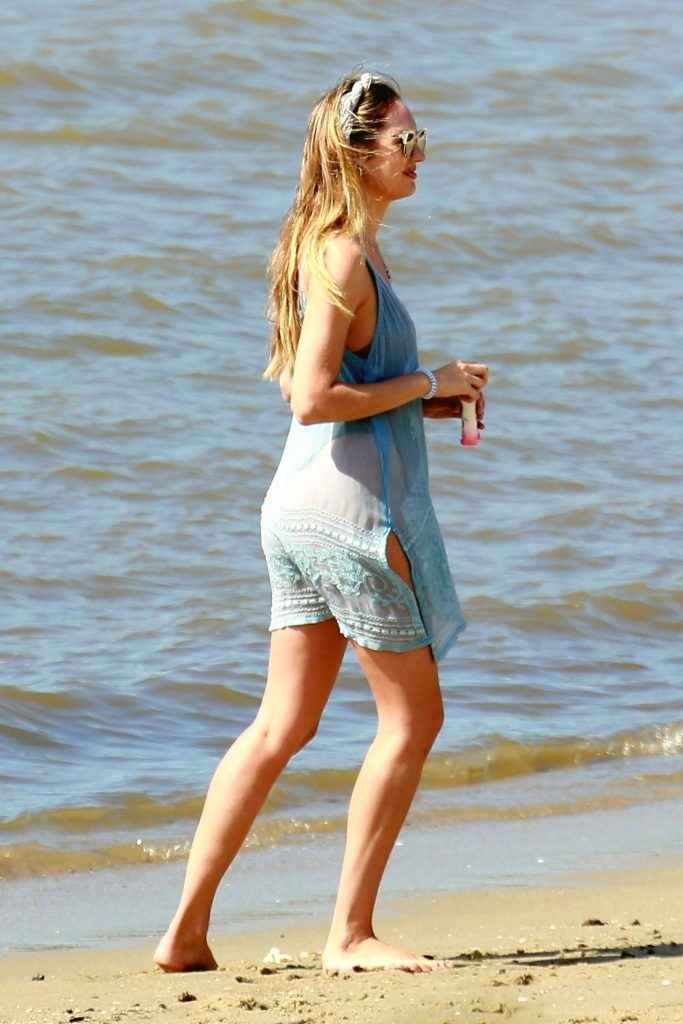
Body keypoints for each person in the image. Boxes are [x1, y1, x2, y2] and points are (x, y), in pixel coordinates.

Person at [153, 69, 488, 976]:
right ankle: (348, 934)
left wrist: (429, 397)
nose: (419, 156)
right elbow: (310, 398)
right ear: (356, 152)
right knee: (412, 721)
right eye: (404, 141)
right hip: (352, 520)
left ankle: (184, 932)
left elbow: (341, 392)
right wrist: (427, 379)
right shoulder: (343, 255)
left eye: (421, 138)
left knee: (280, 726)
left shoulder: (335, 247)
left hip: (295, 512)